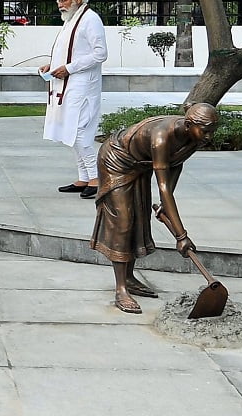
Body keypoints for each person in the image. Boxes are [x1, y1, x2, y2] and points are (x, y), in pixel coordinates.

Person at [92, 103, 219, 314]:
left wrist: (165, 208)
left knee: (139, 216)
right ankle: (121, 288)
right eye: (205, 131)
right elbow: (163, 188)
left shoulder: (195, 137)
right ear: (189, 124)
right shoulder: (161, 137)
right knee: (123, 220)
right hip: (117, 160)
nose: (209, 136)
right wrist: (181, 236)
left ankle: (130, 278)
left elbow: (175, 164)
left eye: (212, 131)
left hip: (139, 164)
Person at [39, 0, 108, 199]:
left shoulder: (90, 20)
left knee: (79, 131)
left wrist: (69, 68)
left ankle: (97, 179)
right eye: (59, 0)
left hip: (82, 85)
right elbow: (69, 51)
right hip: (67, 85)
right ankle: (83, 178)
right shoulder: (70, 21)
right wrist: (52, 65)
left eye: (64, 0)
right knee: (70, 130)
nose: (60, 5)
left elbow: (100, 54)